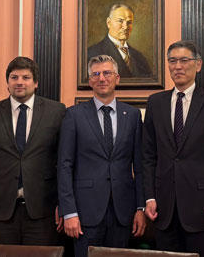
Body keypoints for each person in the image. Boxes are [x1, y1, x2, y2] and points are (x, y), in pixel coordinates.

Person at [142, 40, 204, 257]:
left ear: (198, 65)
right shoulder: (155, 102)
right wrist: (149, 197)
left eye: (184, 60)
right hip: (164, 209)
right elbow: (148, 156)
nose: (178, 66)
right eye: (172, 61)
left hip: (203, 209)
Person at [0, 56, 66, 245]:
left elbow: (65, 163)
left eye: (26, 77)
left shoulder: (56, 112)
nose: (19, 82)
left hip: (44, 211)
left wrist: (64, 205)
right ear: (7, 83)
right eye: (14, 77)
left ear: (36, 83)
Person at [58, 55, 146, 257]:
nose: (101, 78)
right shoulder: (74, 115)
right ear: (90, 81)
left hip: (123, 212)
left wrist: (140, 208)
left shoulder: (133, 116)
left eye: (107, 73)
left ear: (117, 78)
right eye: (95, 74)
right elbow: (64, 165)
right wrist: (69, 212)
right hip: (84, 213)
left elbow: (140, 166)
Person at [87, 3, 153, 78]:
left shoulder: (139, 57)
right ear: (108, 23)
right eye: (120, 21)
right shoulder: (92, 53)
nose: (125, 27)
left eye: (129, 22)